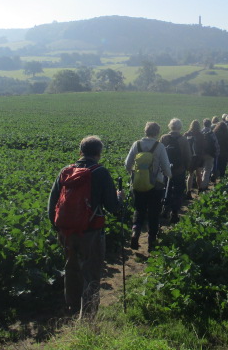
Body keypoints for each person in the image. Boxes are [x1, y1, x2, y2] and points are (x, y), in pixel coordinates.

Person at [47, 135, 124, 319]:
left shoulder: (66, 171)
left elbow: (52, 203)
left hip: (66, 230)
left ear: (80, 151)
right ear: (99, 153)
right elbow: (113, 207)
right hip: (91, 231)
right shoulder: (100, 172)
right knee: (91, 273)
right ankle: (88, 316)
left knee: (71, 269)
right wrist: (119, 198)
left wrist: (58, 227)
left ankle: (71, 308)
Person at [124, 122, 172, 252]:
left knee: (139, 210)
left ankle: (135, 232)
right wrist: (169, 176)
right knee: (154, 213)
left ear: (145, 131)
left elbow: (127, 164)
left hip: (138, 183)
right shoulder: (159, 146)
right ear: (157, 133)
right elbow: (166, 167)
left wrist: (134, 175)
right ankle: (151, 241)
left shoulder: (136, 144)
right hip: (156, 185)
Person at [159, 118, 191, 223]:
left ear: (170, 126)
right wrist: (187, 167)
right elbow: (187, 156)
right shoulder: (183, 140)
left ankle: (165, 209)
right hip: (179, 170)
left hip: (166, 169)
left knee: (165, 189)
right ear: (180, 127)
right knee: (178, 191)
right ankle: (175, 213)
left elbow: (159, 154)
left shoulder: (163, 138)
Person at [183, 119, 205, 199]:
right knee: (199, 174)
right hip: (198, 158)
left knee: (190, 175)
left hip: (190, 157)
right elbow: (203, 147)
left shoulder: (186, 134)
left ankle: (188, 191)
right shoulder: (201, 135)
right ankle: (200, 189)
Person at [200, 118, 219, 191]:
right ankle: (203, 186)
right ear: (210, 124)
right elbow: (216, 144)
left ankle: (200, 183)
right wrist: (216, 154)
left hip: (201, 154)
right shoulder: (211, 133)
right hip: (210, 154)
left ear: (203, 124)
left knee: (201, 170)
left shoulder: (200, 132)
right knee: (207, 170)